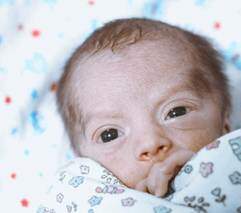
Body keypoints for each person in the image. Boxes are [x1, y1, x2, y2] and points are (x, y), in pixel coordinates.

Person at [56, 17, 231, 196]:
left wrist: (212, 183)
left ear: (224, 125)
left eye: (176, 112)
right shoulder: (76, 202)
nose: (150, 143)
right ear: (82, 164)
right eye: (110, 134)